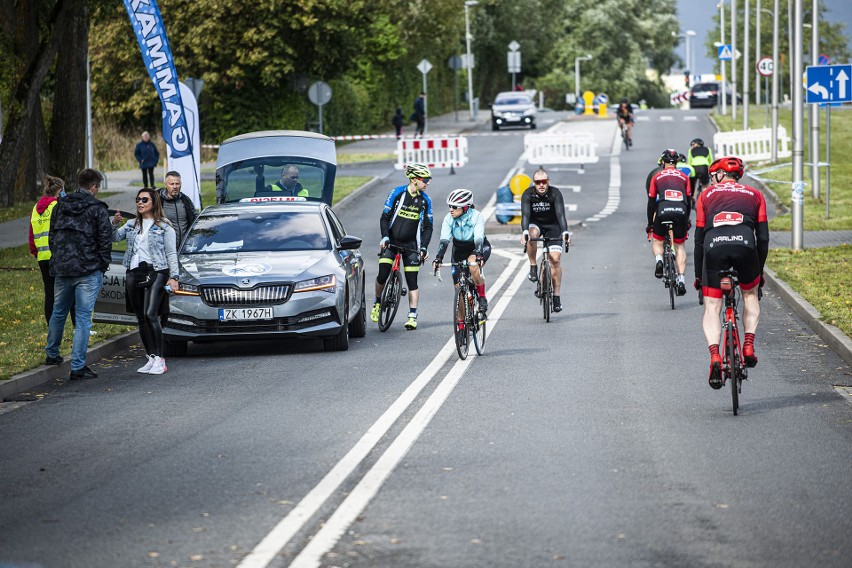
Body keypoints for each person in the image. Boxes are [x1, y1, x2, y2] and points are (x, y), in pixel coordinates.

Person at [694, 156, 769, 389]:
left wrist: (699, 276)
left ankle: (715, 355)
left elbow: (698, 241)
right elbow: (763, 238)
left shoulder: (705, 195)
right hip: (745, 248)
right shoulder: (755, 195)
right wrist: (760, 269)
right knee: (749, 295)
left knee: (712, 307)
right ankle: (748, 344)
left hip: (714, 250)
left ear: (717, 175)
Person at [44, 169, 112, 380]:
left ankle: (52, 354)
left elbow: (51, 236)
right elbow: (105, 240)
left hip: (63, 268)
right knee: (83, 318)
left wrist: (58, 259)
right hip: (88, 269)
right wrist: (102, 265)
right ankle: (78, 366)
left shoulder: (61, 205)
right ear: (93, 187)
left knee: (58, 312)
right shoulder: (97, 209)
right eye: (97, 187)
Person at [112, 189, 180, 375]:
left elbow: (171, 253)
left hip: (156, 271)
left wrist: (174, 277)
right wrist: (113, 224)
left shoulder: (165, 226)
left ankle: (160, 359)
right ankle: (150, 357)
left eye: (144, 199)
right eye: (138, 199)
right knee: (141, 317)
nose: (140, 203)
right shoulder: (132, 224)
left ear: (154, 202)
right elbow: (113, 238)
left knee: (151, 314)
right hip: (134, 272)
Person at [371, 162, 434, 330]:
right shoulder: (397, 193)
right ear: (414, 179)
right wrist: (384, 236)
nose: (428, 183)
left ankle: (412, 316)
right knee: (383, 273)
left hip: (411, 245)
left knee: (412, 281)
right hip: (391, 242)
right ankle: (377, 302)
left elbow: (428, 227)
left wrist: (424, 247)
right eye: (425, 180)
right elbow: (385, 217)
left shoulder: (425, 200)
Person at [520, 168, 571, 313]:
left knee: (555, 260)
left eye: (544, 182)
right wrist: (524, 232)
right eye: (538, 182)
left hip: (553, 225)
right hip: (535, 223)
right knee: (531, 234)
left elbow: (561, 215)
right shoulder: (528, 194)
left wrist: (565, 231)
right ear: (533, 183)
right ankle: (533, 266)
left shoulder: (555, 193)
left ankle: (556, 297)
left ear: (548, 181)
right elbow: (525, 216)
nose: (541, 185)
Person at [432, 189, 491, 314]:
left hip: (477, 247)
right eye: (449, 206)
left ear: (465, 207)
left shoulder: (476, 216)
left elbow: (479, 238)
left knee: (472, 264)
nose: (451, 209)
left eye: (454, 207)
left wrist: (479, 255)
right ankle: (461, 324)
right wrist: (438, 258)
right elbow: (444, 240)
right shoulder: (449, 218)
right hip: (459, 250)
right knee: (458, 289)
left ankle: (481, 297)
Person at [29, 174, 76, 326]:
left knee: (50, 293)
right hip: (58, 256)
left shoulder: (36, 208)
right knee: (70, 290)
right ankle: (77, 324)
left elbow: (32, 235)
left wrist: (36, 253)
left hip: (42, 256)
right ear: (60, 191)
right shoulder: (58, 206)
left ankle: (52, 326)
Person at [647, 149, 692, 296]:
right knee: (679, 245)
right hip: (681, 211)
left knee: (658, 241)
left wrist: (650, 224)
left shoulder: (657, 176)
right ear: (677, 162)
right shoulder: (684, 177)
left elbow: (651, 203)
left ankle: (659, 260)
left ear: (663, 162)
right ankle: (681, 280)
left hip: (663, 209)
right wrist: (687, 220)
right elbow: (689, 201)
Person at [158, 170, 197, 246]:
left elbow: (195, 219)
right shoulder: (157, 200)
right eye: (172, 184)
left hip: (185, 247)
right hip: (165, 248)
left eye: (177, 184)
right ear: (165, 184)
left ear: (181, 184)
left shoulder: (186, 200)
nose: (175, 187)